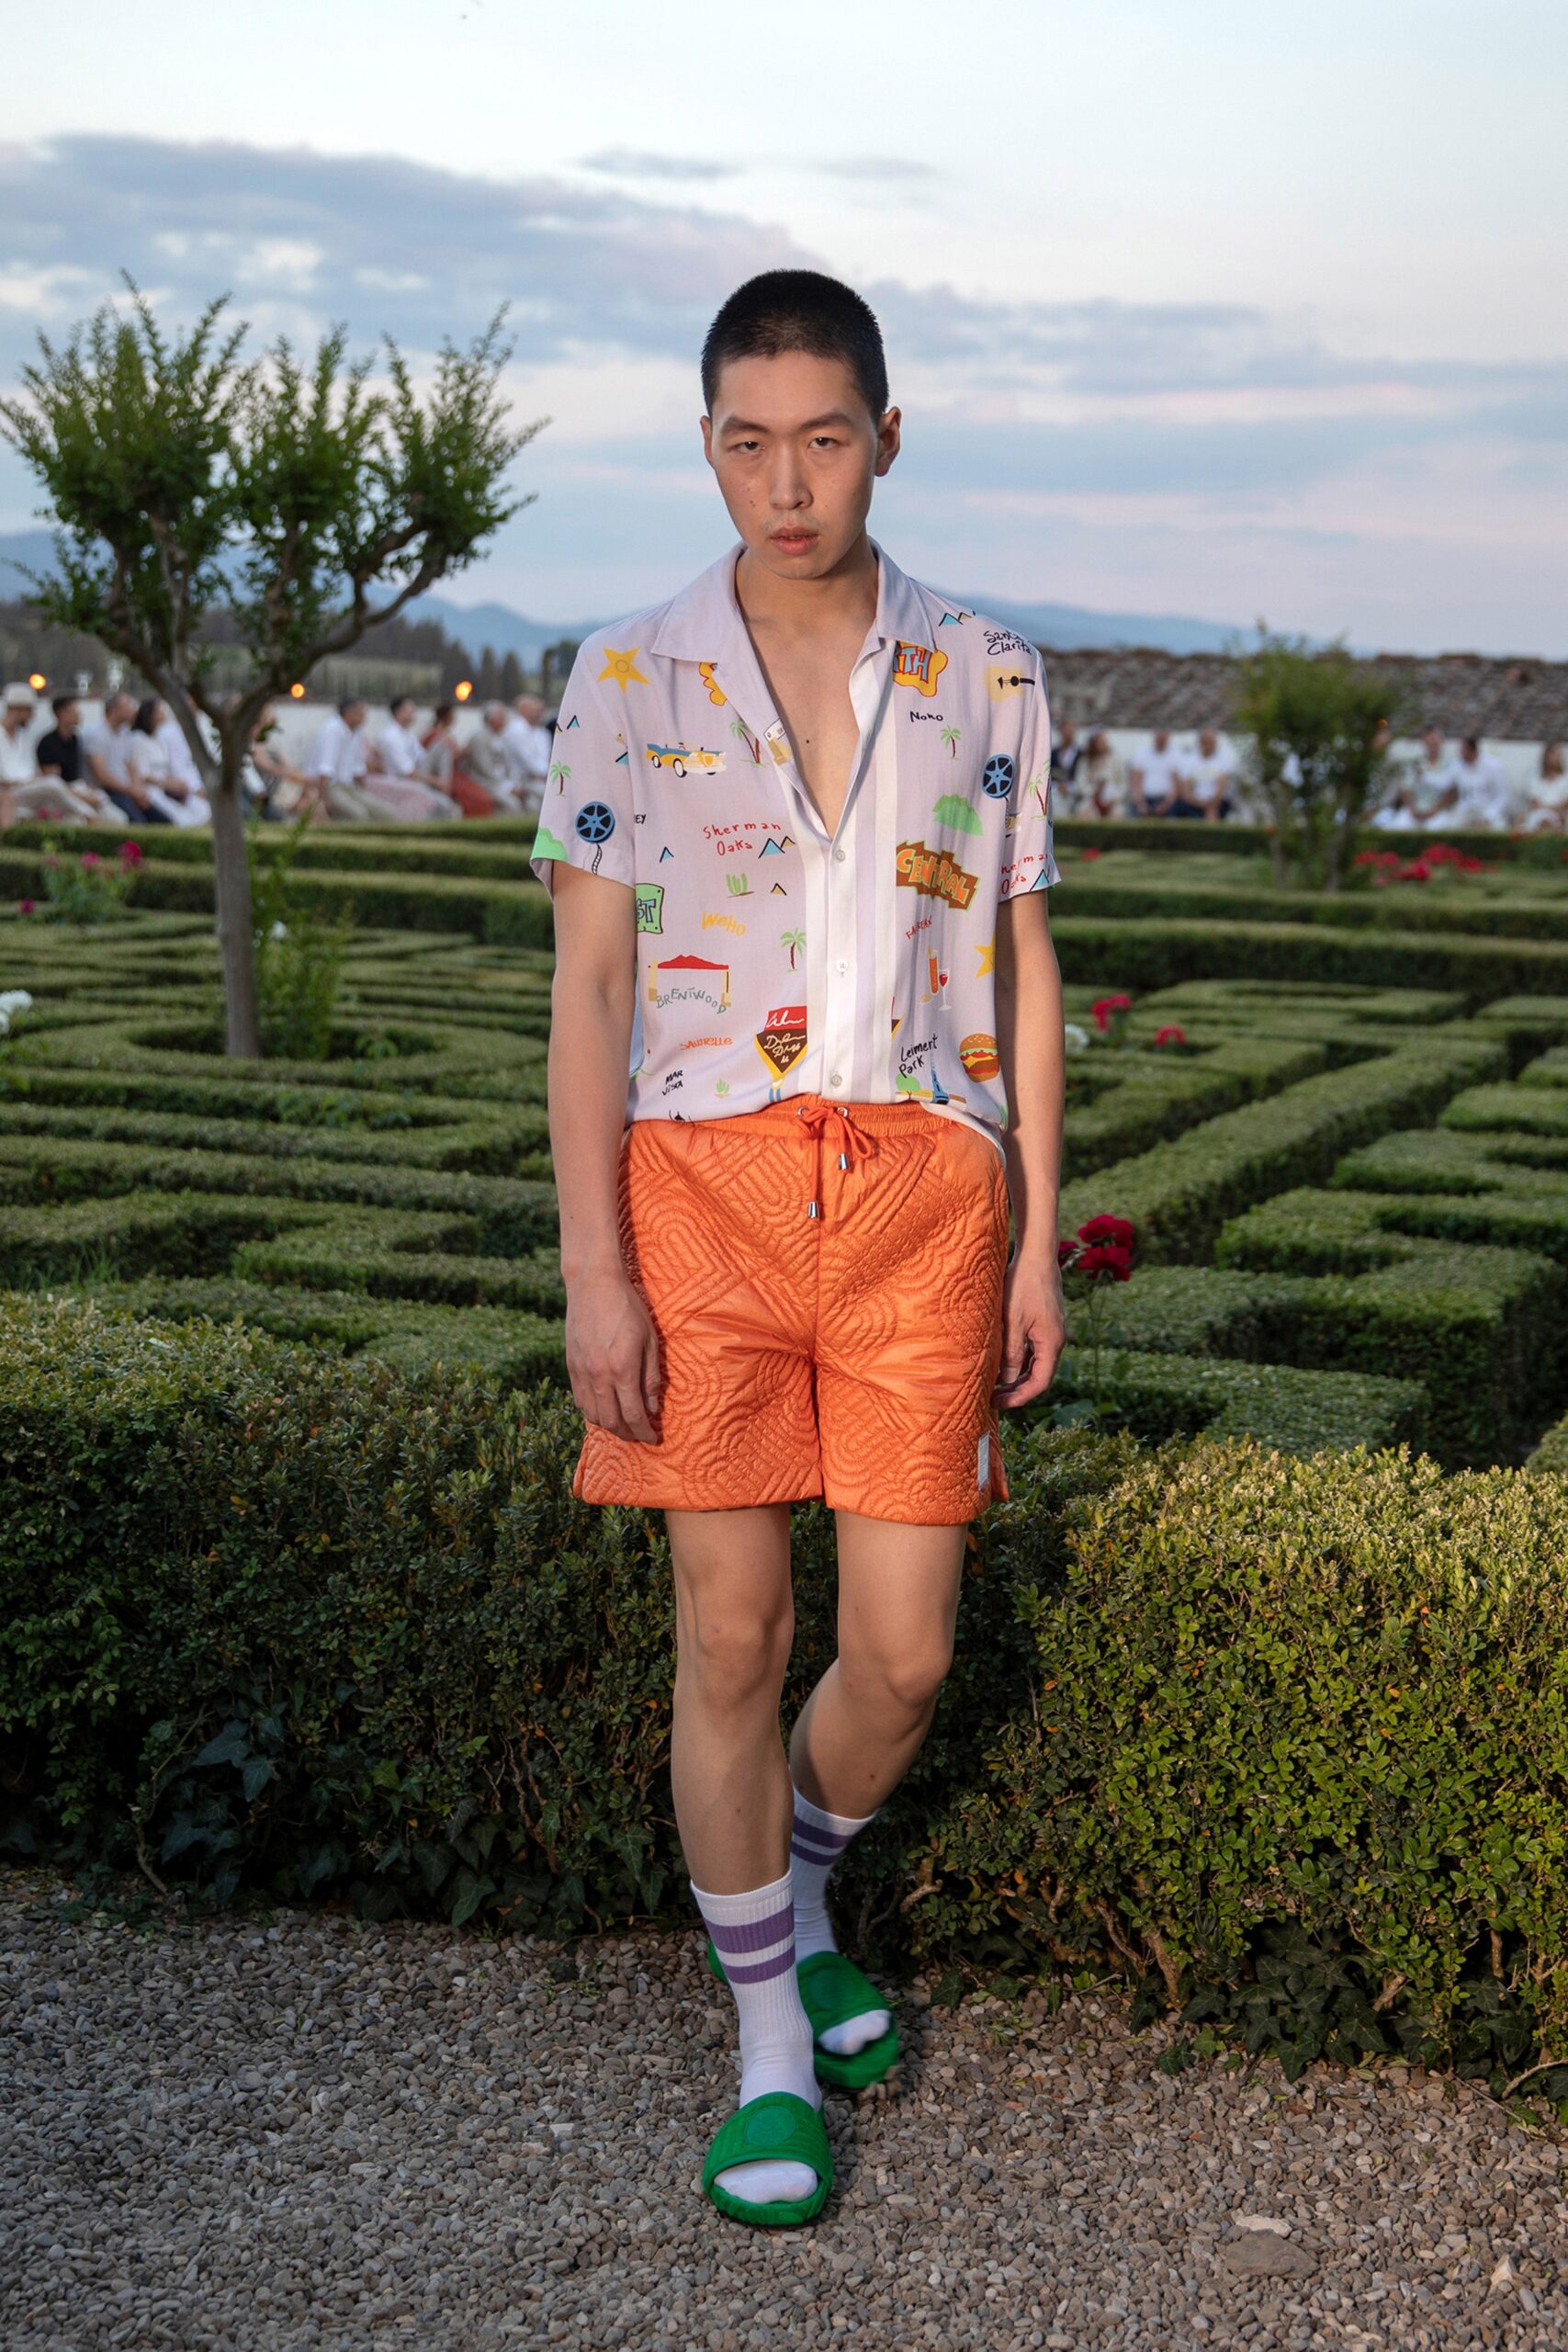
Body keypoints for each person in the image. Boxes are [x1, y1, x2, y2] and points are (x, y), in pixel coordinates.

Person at [532, 269, 1066, 2232]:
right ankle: (768, 2037)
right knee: (734, 1630)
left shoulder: (989, 671)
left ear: (884, 439)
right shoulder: (625, 673)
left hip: (925, 1198)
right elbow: (589, 992)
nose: (786, 484)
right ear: (706, 449)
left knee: (904, 1651)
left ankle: (799, 1890)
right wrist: (596, 1269)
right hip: (703, 1196)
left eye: (822, 439)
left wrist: (1032, 1237)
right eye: (748, 443)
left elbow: (1020, 959)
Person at [366, 695, 460, 820]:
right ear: (399, 712)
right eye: (410, 709)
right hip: (400, 781)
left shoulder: (407, 735)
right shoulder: (390, 737)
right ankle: (443, 787)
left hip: (419, 775)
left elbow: (423, 759)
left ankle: (444, 787)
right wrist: (436, 782)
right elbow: (407, 772)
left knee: (443, 745)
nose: (413, 713)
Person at [82, 690, 171, 823]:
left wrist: (137, 790)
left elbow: (131, 764)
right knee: (138, 823)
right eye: (128, 706)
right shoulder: (95, 734)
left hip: (127, 790)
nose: (133, 710)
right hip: (108, 792)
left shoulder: (125, 733)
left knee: (164, 821)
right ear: (114, 709)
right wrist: (131, 791)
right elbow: (102, 777)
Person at [304, 696, 391, 823]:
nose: (364, 717)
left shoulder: (356, 732)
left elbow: (358, 769)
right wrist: (321, 800)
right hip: (330, 787)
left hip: (348, 786)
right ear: (349, 712)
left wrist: (365, 792)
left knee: (386, 811)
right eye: (361, 712)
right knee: (359, 814)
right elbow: (325, 769)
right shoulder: (333, 729)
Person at [29, 694, 115, 822]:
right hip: (61, 796)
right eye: (74, 710)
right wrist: (81, 796)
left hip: (79, 788)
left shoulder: (75, 740)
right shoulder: (47, 743)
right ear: (61, 714)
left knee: (116, 816)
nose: (79, 715)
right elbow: (52, 781)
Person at [127, 698, 211, 827]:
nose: (163, 714)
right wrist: (167, 784)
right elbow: (143, 774)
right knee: (179, 820)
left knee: (201, 812)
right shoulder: (138, 739)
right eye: (159, 711)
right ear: (150, 715)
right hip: (152, 789)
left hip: (167, 786)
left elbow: (170, 767)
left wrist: (175, 783)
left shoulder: (157, 738)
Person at [458, 702, 526, 813]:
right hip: (484, 783)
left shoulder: (502, 737)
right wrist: (507, 787)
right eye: (501, 716)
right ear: (491, 719)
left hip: (503, 782)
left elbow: (508, 766)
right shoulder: (480, 738)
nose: (505, 719)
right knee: (512, 804)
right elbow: (483, 768)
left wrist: (513, 784)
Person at [1446, 736, 1512, 831]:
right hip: (1465, 810)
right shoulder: (1458, 765)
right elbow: (1443, 781)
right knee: (1449, 827)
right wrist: (1425, 776)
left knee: (1499, 828)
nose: (1460, 753)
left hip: (1487, 809)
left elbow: (1503, 796)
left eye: (1463, 750)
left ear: (1472, 750)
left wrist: (1489, 816)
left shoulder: (1494, 766)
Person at [503, 691, 552, 815]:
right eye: (535, 710)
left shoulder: (542, 732)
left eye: (540, 710)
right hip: (521, 780)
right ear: (523, 710)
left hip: (541, 778)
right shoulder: (516, 730)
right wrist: (550, 774)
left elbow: (546, 758)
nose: (539, 714)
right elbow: (529, 761)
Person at [1071, 728, 1130, 818]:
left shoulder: (1117, 760)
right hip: (1090, 800)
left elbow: (1123, 784)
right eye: (1098, 741)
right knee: (1086, 813)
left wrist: (1113, 798)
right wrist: (1094, 790)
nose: (1101, 744)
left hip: (1113, 800)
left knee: (1117, 814)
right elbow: (1080, 784)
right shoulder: (1085, 761)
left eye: (1103, 741)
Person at [1407, 728, 1460, 825]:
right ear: (1424, 743)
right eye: (1429, 741)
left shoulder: (1451, 762)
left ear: (1441, 742)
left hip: (1441, 810)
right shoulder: (1416, 762)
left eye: (1435, 741)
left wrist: (1435, 810)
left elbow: (1452, 790)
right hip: (1417, 809)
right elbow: (1407, 788)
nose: (1432, 744)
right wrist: (1413, 809)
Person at [1127, 726, 1180, 818]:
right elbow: (1136, 781)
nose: (1160, 740)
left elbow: (1175, 785)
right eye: (1159, 736)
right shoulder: (1141, 754)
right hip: (1145, 798)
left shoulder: (1176, 756)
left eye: (1163, 737)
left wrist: (1165, 805)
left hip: (1166, 800)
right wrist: (1141, 804)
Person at [1524, 741, 1568, 832]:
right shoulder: (1534, 777)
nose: (1557, 758)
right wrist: (1547, 811)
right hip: (1539, 814)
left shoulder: (1565, 778)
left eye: (1559, 755)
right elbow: (1534, 802)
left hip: (1561, 815)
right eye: (1554, 754)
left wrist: (1554, 811)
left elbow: (1565, 803)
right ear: (1546, 756)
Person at [1049, 717, 1081, 798]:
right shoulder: (1053, 753)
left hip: (1074, 793)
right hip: (1056, 792)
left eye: (1070, 731)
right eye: (1065, 731)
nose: (1068, 734)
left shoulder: (1080, 754)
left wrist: (1069, 787)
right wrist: (1058, 786)